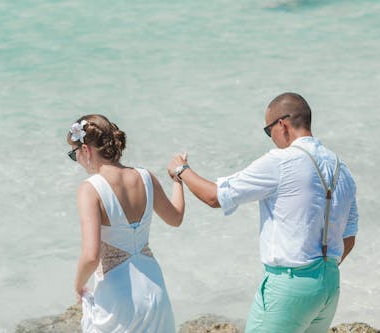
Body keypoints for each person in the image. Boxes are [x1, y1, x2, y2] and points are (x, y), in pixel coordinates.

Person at [167, 92, 359, 333]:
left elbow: (216, 197)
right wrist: (320, 271)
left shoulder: (281, 162)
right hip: (329, 284)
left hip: (289, 284)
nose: (271, 139)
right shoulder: (342, 169)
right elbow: (349, 236)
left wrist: (181, 169)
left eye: (269, 131)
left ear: (282, 124)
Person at [67, 114, 184, 333]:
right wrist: (178, 179)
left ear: (86, 150)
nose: (78, 161)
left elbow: (91, 256)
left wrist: (78, 285)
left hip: (119, 300)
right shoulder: (145, 176)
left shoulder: (90, 188)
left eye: (75, 155)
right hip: (155, 291)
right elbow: (175, 218)